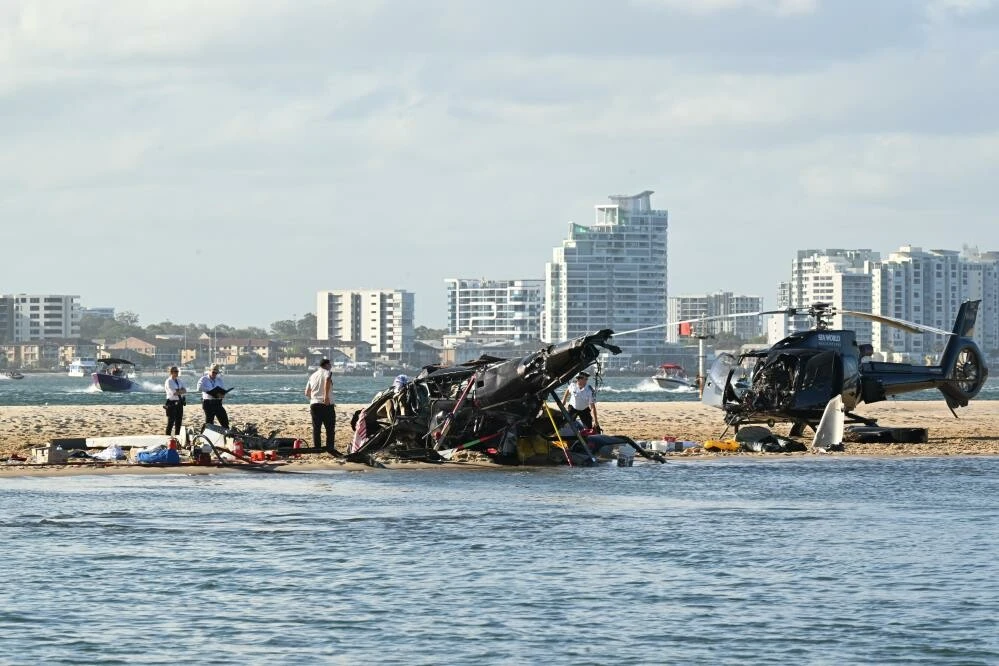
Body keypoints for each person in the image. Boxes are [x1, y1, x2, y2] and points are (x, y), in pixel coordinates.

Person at [305, 359, 338, 455]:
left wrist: (315, 398)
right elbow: (327, 380)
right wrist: (325, 397)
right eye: (330, 364)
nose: (331, 366)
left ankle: (317, 449)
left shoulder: (312, 375)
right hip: (326, 404)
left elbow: (307, 392)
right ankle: (330, 448)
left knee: (316, 428)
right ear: (326, 365)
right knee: (330, 428)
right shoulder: (327, 372)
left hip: (314, 404)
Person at [197, 364, 230, 429]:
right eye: (213, 372)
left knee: (224, 420)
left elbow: (222, 389)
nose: (214, 374)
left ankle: (227, 435)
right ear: (209, 370)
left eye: (216, 372)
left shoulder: (219, 380)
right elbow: (199, 388)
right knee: (209, 422)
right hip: (208, 403)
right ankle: (207, 436)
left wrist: (222, 394)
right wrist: (211, 391)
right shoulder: (204, 379)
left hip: (218, 403)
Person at [164, 366, 187, 436]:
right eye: (175, 371)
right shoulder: (169, 381)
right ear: (171, 372)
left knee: (179, 422)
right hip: (172, 403)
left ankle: (177, 437)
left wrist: (179, 391)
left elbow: (185, 390)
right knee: (170, 422)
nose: (177, 373)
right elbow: (174, 393)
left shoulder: (179, 380)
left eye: (177, 371)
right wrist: (181, 391)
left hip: (179, 403)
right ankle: (167, 438)